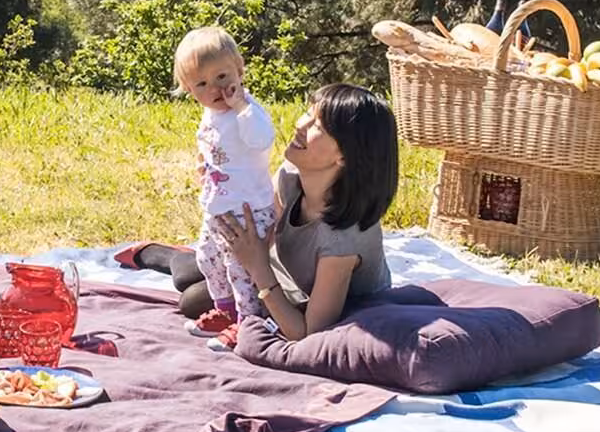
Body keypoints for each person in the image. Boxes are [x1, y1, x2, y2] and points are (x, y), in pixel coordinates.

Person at [128, 83, 398, 342]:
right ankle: (174, 256)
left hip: (309, 301)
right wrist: (218, 179)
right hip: (286, 276)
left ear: (346, 156)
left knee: (192, 300)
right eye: (308, 112)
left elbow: (307, 333)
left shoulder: (342, 239)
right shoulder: (291, 176)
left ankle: (178, 258)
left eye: (318, 125)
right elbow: (256, 226)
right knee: (198, 276)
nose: (300, 124)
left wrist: (258, 268)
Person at [173, 26, 277, 340]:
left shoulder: (248, 111)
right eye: (202, 84)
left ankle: (248, 323)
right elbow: (213, 144)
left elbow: (261, 139)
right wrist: (203, 164)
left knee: (240, 270)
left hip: (248, 211)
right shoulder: (211, 113)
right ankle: (225, 310)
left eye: (222, 76)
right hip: (218, 206)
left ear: (239, 70)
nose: (216, 89)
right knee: (207, 258)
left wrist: (242, 107)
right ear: (189, 90)